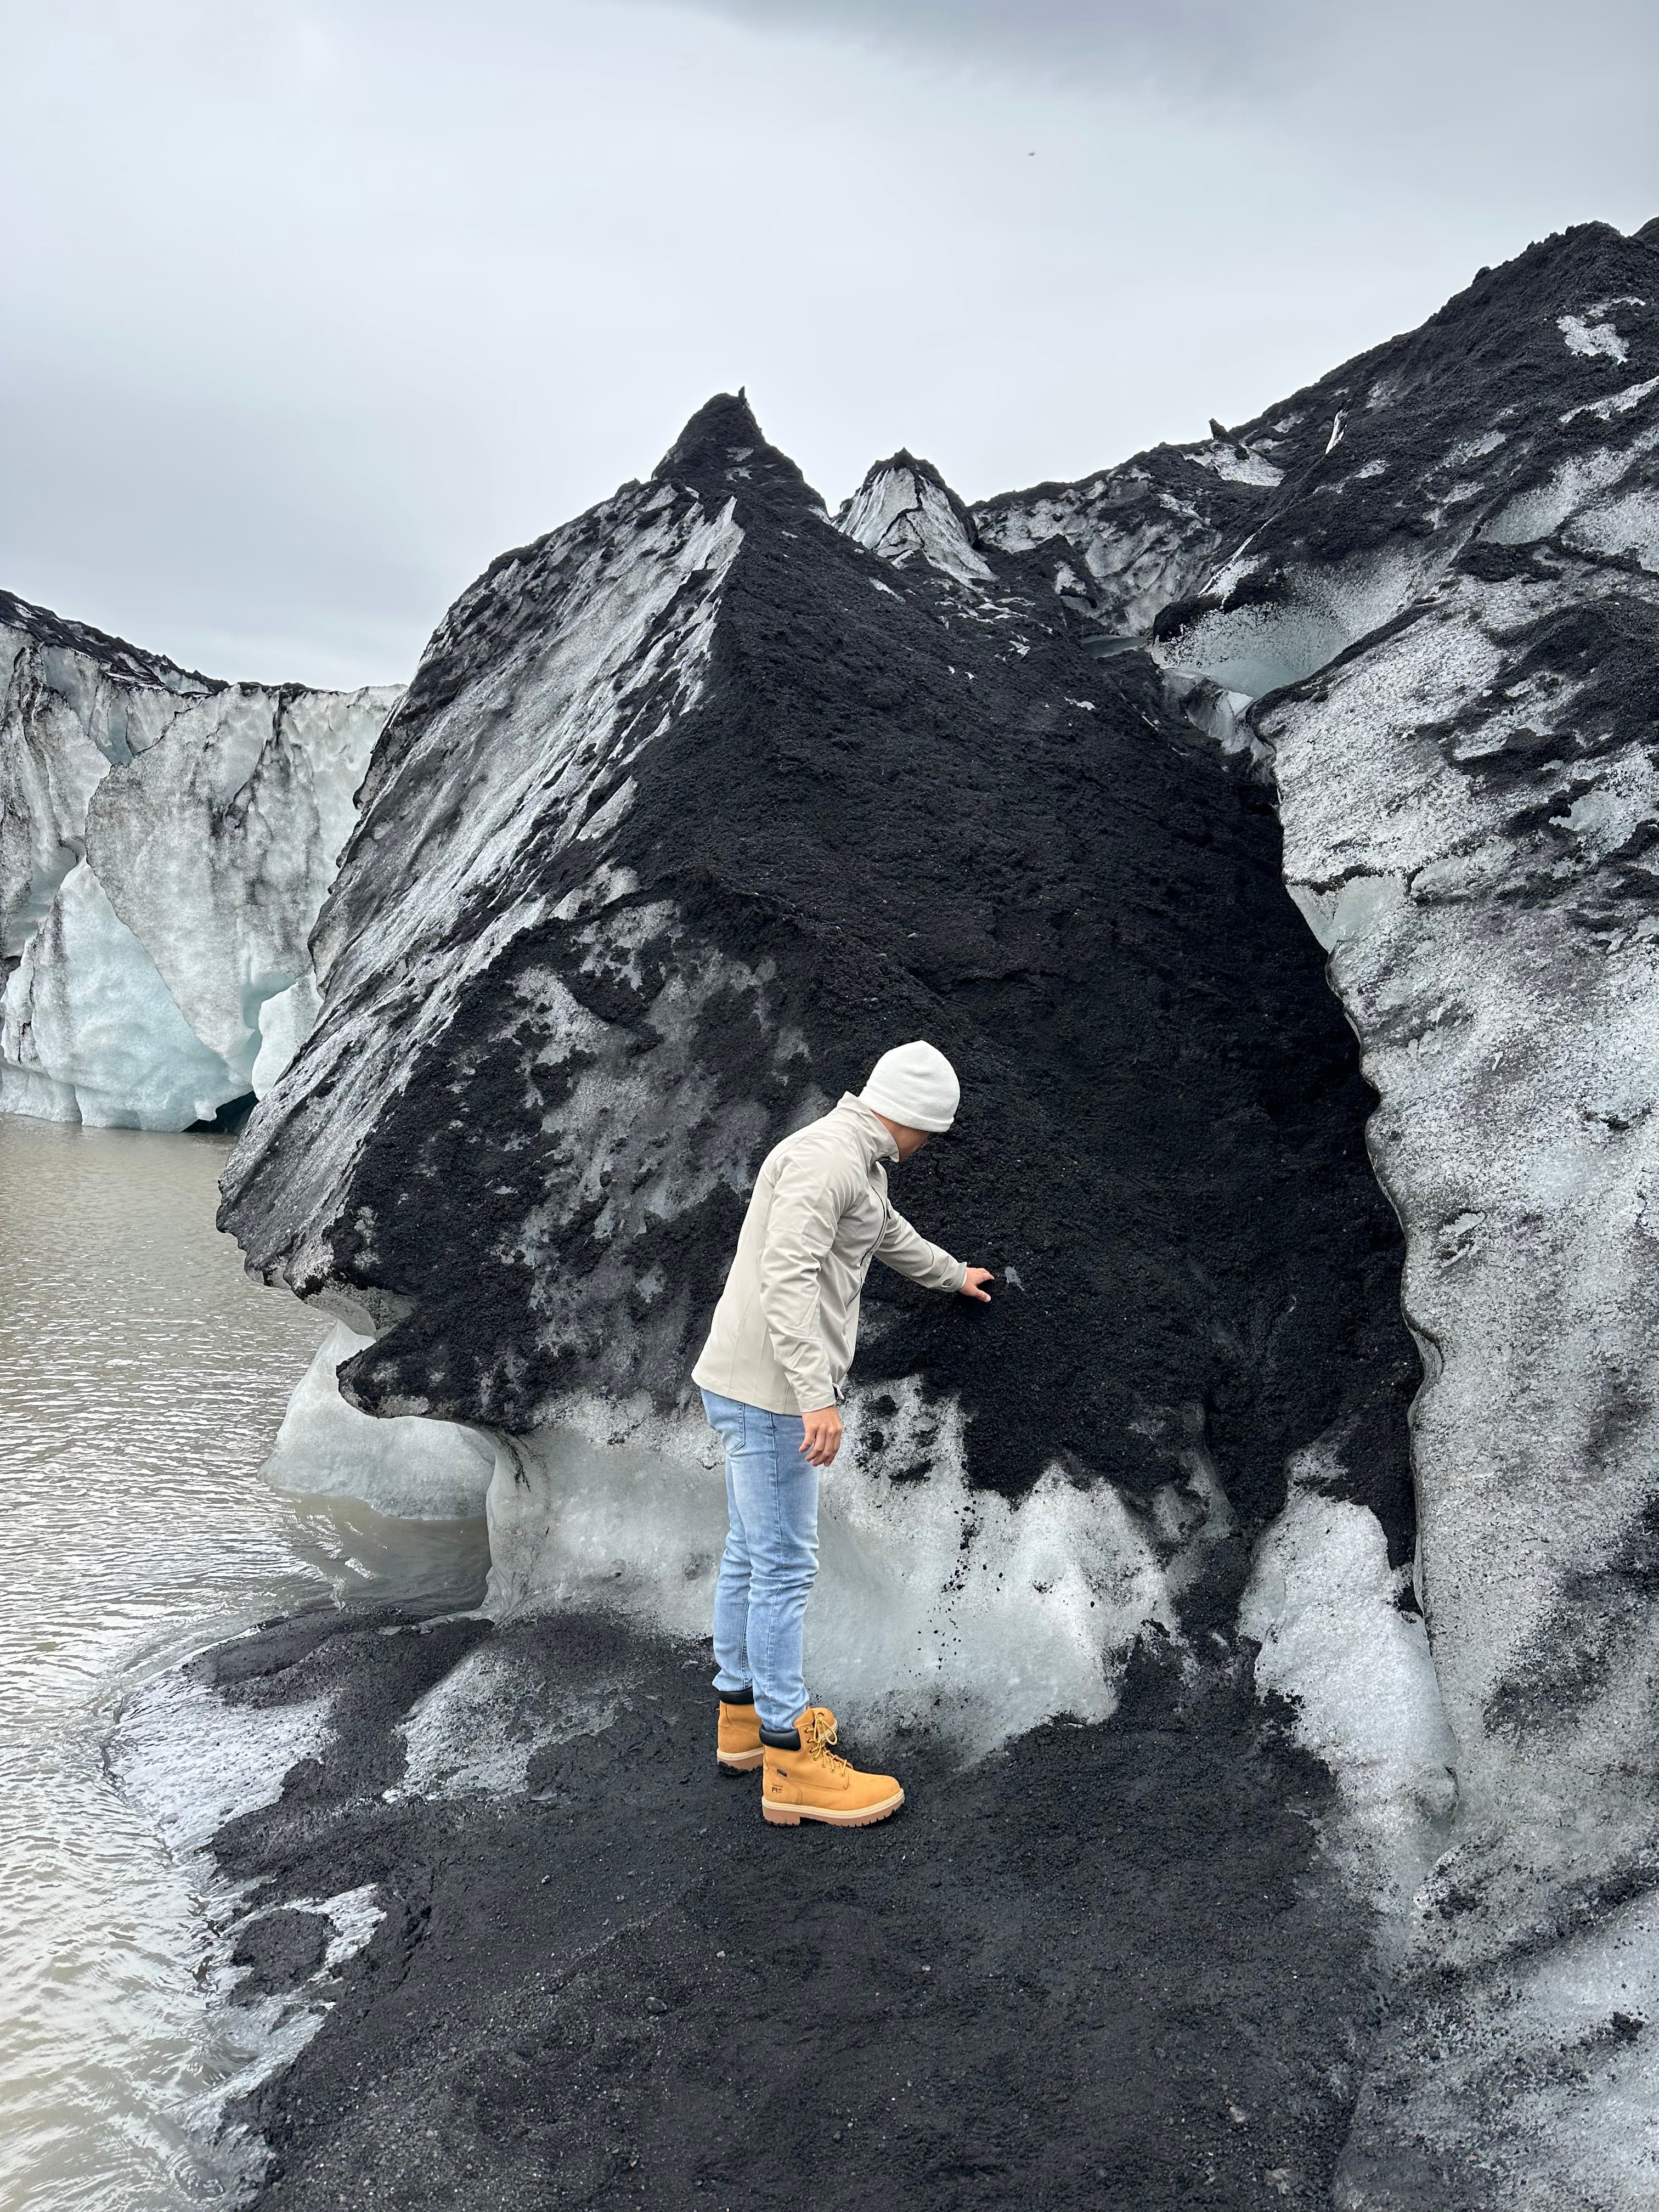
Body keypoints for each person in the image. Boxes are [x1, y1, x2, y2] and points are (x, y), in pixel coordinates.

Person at [692, 1040, 993, 1827]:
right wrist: (815, 1397)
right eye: (935, 1131)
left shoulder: (851, 1158)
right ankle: (791, 1761)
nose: (930, 1146)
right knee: (784, 1567)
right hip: (771, 1395)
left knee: (750, 1552)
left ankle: (741, 1722)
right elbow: (785, 1280)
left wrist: (954, 1274)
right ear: (916, 1118)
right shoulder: (829, 1162)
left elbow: (885, 1233)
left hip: (751, 1384)